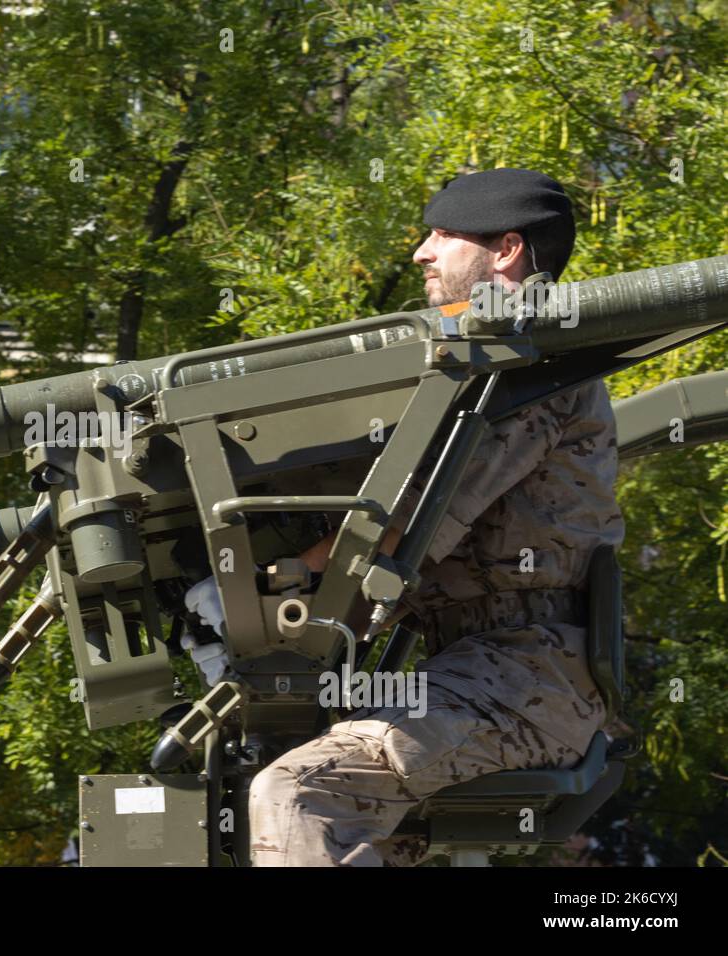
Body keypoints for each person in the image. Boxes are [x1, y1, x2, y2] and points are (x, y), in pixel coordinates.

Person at [189, 168, 624, 866]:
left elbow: (413, 519)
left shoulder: (539, 371)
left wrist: (288, 575)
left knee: (297, 794)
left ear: (506, 249)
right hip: (482, 673)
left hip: (524, 683)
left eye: (444, 235)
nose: (421, 251)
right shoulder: (493, 363)